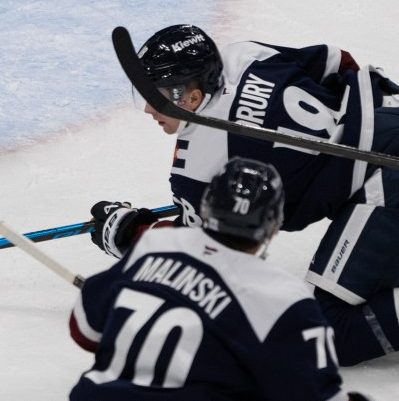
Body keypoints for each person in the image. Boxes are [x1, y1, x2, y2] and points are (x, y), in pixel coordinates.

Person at [89, 23, 399, 366]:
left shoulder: (196, 171)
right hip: (391, 110)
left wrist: (130, 235)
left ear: (191, 98)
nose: (148, 109)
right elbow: (337, 62)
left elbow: (199, 258)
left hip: (386, 179)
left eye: (155, 97)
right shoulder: (244, 56)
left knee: (332, 333)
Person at [71, 158, 366, 400]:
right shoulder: (284, 298)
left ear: (206, 207)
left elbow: (83, 329)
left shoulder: (152, 245)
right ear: (273, 227)